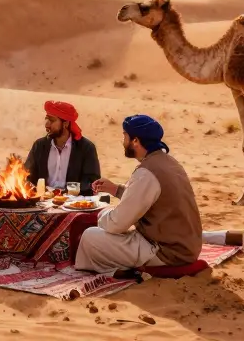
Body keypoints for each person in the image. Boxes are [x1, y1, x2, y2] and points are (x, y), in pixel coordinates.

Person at [74, 114, 203, 274]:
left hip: (167, 252)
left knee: (90, 237)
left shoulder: (146, 173)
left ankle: (118, 272)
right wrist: (115, 189)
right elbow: (150, 198)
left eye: (125, 136)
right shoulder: (169, 162)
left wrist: (101, 215)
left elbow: (117, 224)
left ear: (135, 141)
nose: (123, 142)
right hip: (185, 246)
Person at [24, 100, 101, 195]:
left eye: (52, 120)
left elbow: (91, 181)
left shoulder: (86, 148)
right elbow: (26, 175)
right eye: (46, 119)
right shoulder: (39, 146)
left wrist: (65, 193)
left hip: (73, 202)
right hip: (42, 201)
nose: (47, 124)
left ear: (66, 124)